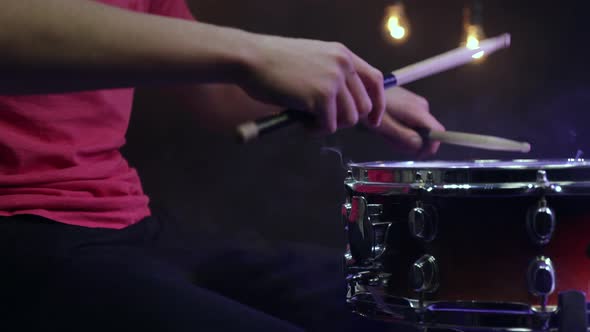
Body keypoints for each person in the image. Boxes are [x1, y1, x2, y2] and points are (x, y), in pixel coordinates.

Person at [0, 0, 445, 331]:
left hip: (133, 227)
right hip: (22, 230)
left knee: (426, 304)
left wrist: (359, 95)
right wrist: (255, 52)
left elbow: (212, 90)